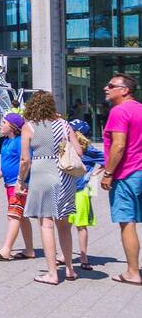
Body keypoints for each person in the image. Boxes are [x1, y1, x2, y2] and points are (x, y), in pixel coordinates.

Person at [17, 90, 80, 285]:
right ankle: (69, 269)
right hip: (65, 175)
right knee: (64, 225)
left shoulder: (29, 127)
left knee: (46, 224)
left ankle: (52, 273)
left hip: (42, 174)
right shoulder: (64, 124)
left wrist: (21, 180)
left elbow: (25, 160)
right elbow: (78, 150)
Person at [100, 72, 142, 285]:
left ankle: (132, 272)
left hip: (127, 174)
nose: (105, 88)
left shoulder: (119, 111)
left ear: (124, 90)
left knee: (128, 223)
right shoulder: (140, 109)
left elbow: (119, 145)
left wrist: (108, 173)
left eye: (110, 85)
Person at [0, 112, 36, 261]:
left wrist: (22, 181)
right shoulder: (6, 142)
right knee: (22, 217)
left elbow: (26, 161)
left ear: (13, 127)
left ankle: (6, 250)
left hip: (18, 184)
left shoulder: (21, 141)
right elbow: (4, 166)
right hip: (9, 184)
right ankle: (29, 250)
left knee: (13, 215)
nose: (1, 125)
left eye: (4, 123)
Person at [66, 118, 103, 271]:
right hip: (66, 190)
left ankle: (83, 257)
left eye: (71, 130)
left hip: (81, 191)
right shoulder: (66, 146)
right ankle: (65, 255)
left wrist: (93, 174)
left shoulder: (88, 149)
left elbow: (106, 159)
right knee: (64, 226)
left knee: (81, 225)